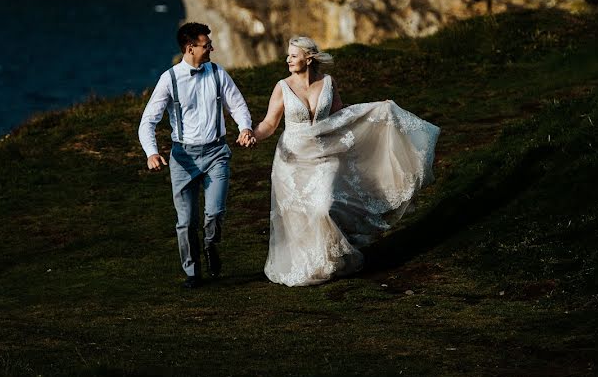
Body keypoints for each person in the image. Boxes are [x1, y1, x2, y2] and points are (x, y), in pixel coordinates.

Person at [251, 36, 440, 287]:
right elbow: (269, 124)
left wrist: (374, 111)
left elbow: (341, 114)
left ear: (309, 58)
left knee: (323, 206)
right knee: (300, 213)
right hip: (292, 159)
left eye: (293, 56)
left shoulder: (328, 83)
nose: (288, 60)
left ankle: (329, 258)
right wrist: (252, 134)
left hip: (325, 154)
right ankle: (312, 264)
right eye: (288, 55)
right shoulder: (282, 87)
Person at [138, 22, 256, 289]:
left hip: (217, 153)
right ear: (190, 48)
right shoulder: (169, 79)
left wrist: (245, 127)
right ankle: (193, 273)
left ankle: (211, 244)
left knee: (214, 213)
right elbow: (148, 122)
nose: (211, 48)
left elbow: (236, 104)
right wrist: (152, 153)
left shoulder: (218, 73)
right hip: (183, 158)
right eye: (206, 45)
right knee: (185, 221)